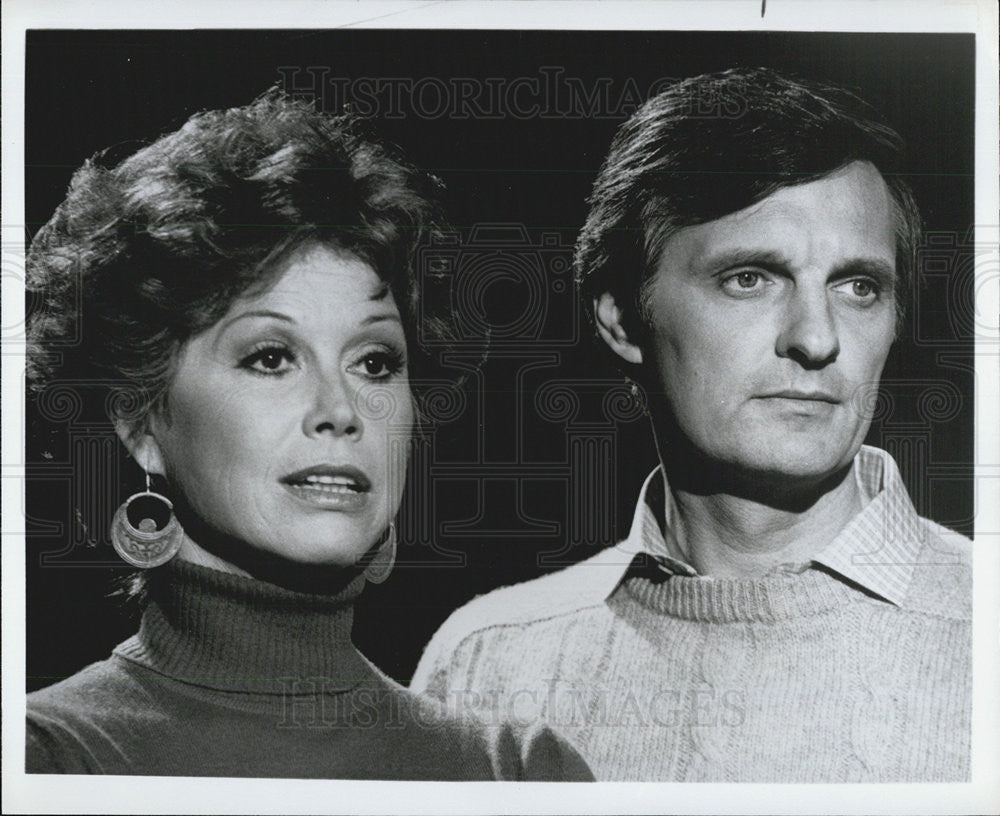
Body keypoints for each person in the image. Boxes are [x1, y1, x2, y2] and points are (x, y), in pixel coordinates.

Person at [411, 67, 972, 782]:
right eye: (750, 278)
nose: (816, 338)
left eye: (858, 286)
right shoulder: (488, 666)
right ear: (620, 317)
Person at [25, 91, 591, 781]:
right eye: (271, 357)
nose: (340, 409)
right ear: (140, 419)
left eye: (375, 362)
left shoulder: (515, 771)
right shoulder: (45, 757)